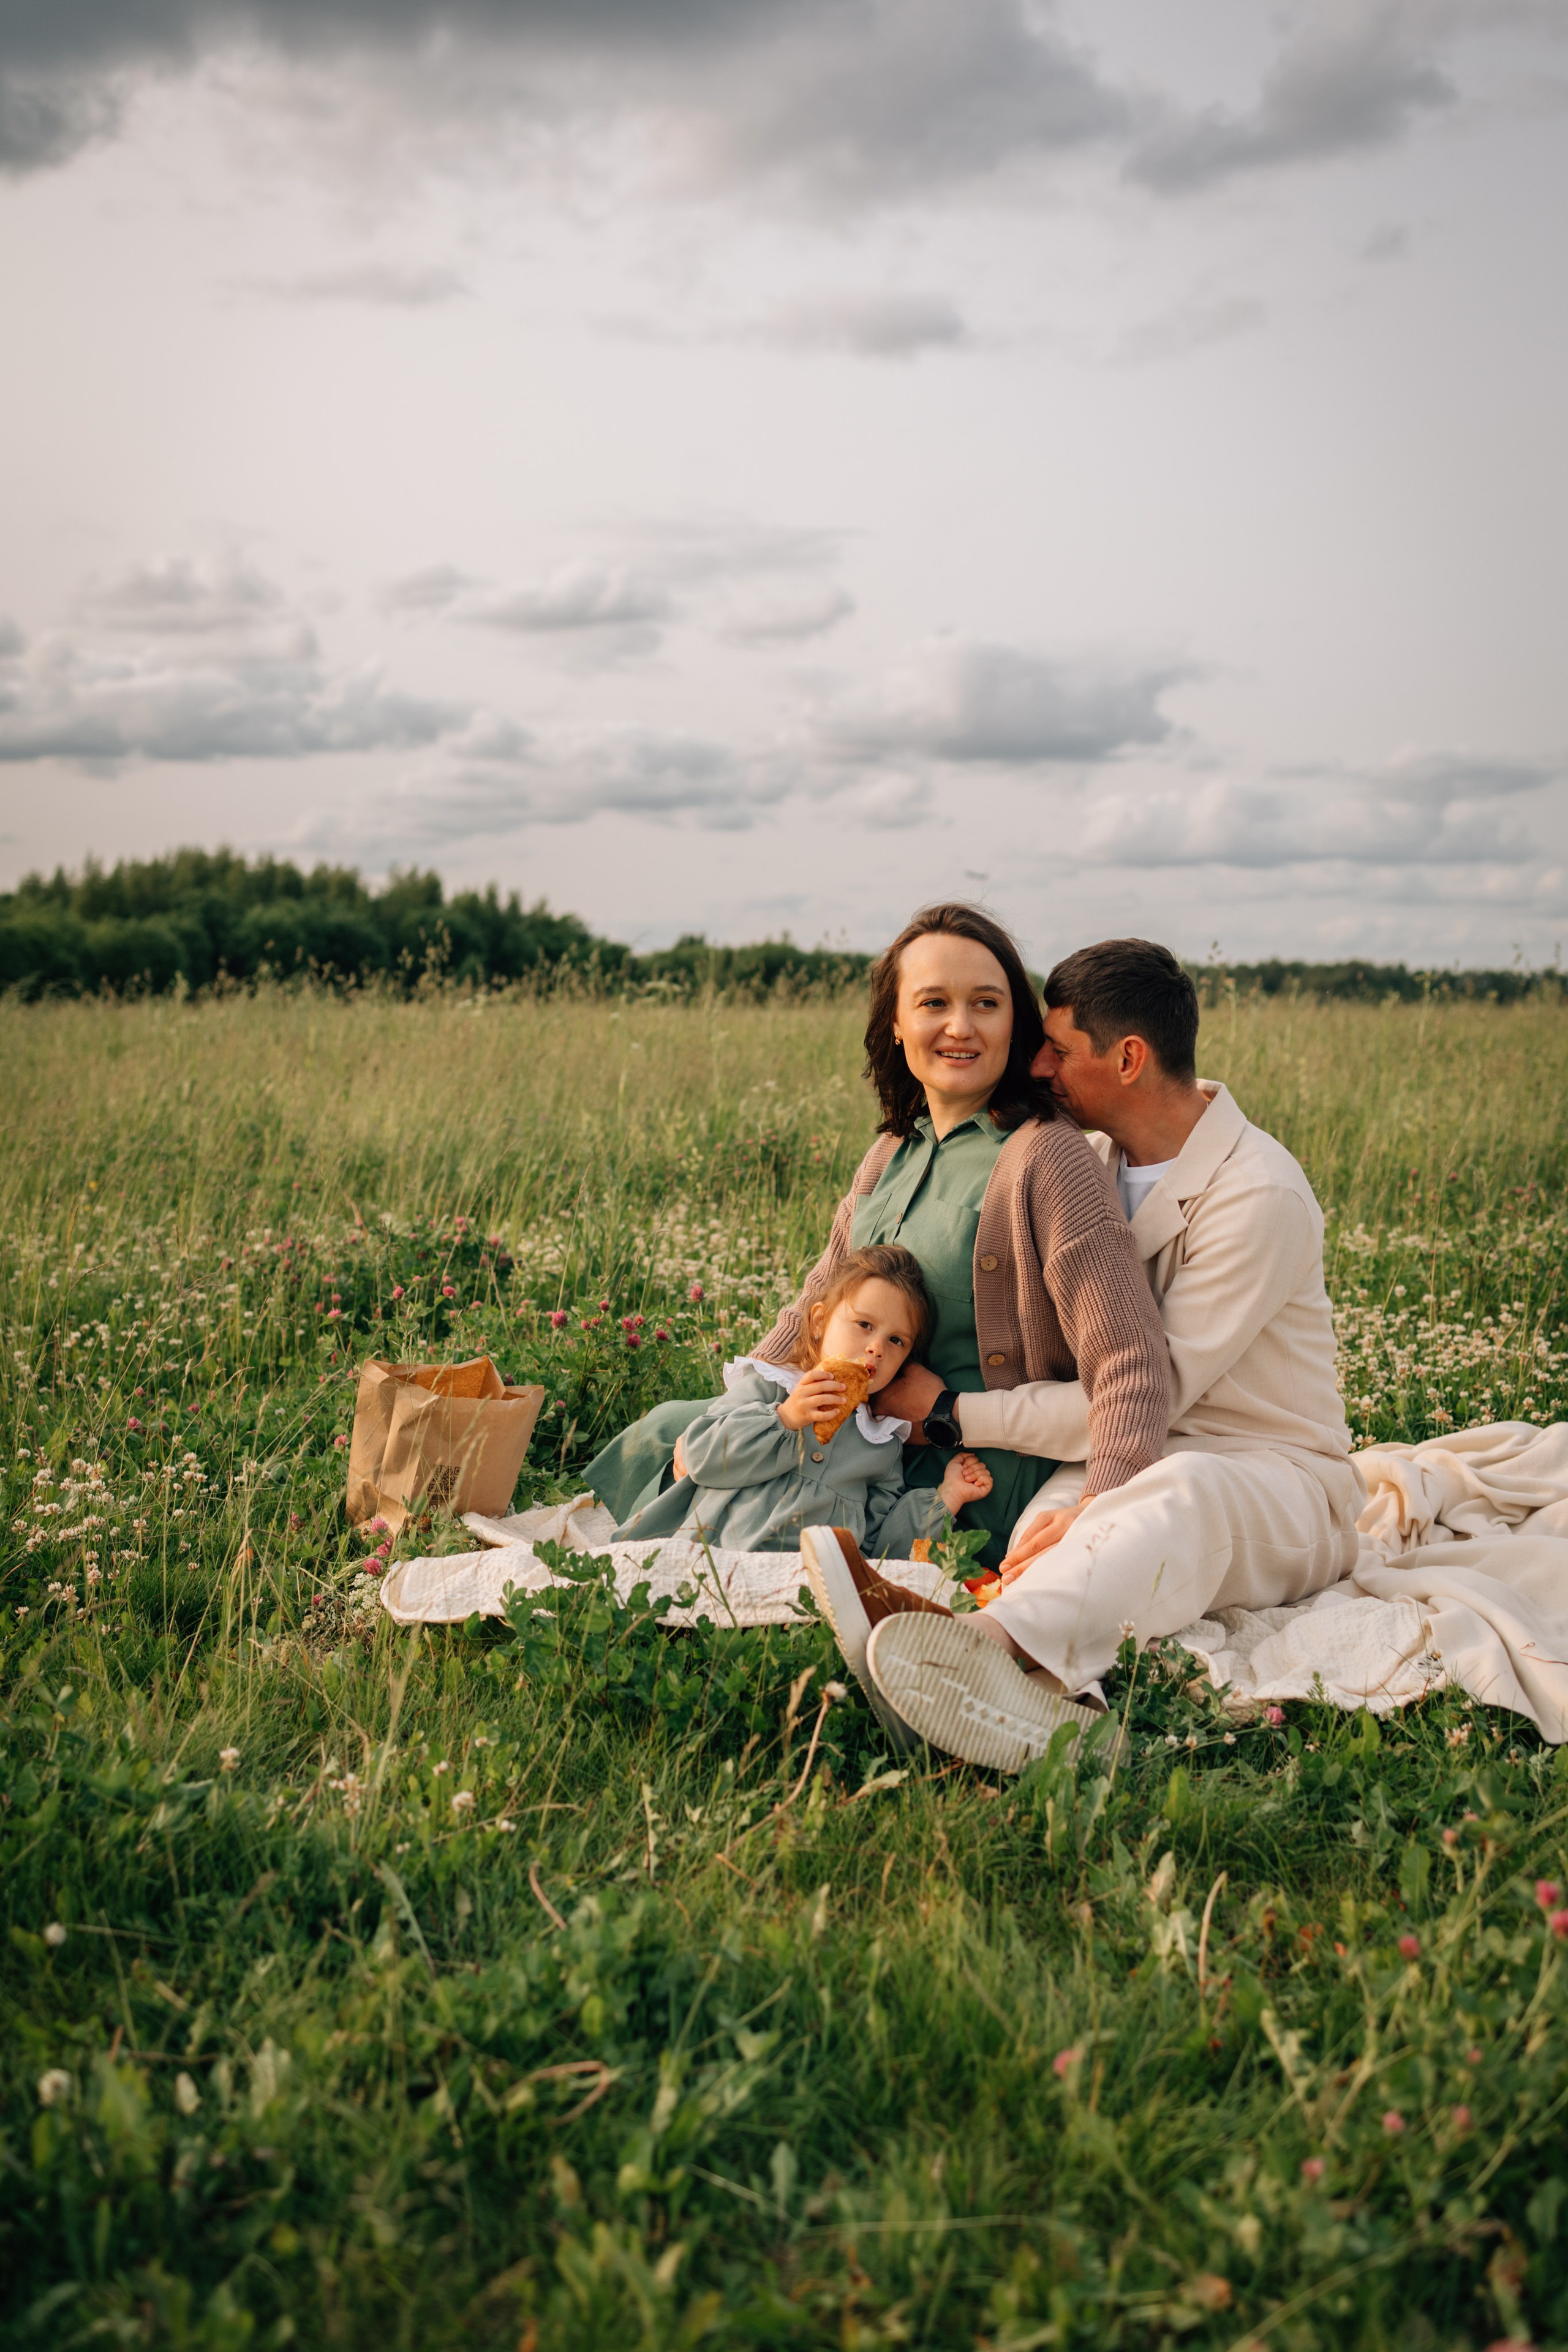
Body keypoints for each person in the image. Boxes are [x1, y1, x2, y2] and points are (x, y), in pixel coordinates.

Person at [843, 937, 1366, 1777]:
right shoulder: (1090, 1160)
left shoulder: (1257, 1193)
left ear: (1127, 1059)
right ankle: (1043, 1709)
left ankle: (972, 1648)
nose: (1036, 1066)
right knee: (1035, 1540)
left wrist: (949, 1413)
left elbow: (1151, 1391)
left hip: (1267, 1476)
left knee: (1178, 1497)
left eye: (1058, 1050)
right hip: (1116, 1449)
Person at [587, 903, 1170, 1602]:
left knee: (758, 1490)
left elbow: (1128, 1357)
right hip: (852, 1430)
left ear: (1014, 1021)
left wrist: (1098, 1512)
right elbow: (817, 1302)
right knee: (673, 1430)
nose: (961, 1026)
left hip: (953, 1474)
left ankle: (707, 1568)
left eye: (986, 1003)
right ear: (896, 1023)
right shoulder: (892, 1150)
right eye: (934, 1003)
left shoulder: (1047, 1157)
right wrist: (746, 1405)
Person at [612, 1245, 993, 1556]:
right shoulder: (772, 1387)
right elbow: (699, 1458)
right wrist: (785, 1418)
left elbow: (881, 1547)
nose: (877, 1348)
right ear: (819, 1322)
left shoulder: (881, 1444)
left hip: (806, 1584)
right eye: (864, 1325)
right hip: (718, 1552)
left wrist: (946, 1498)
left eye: (896, 1341)